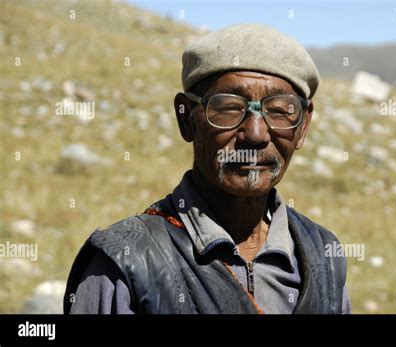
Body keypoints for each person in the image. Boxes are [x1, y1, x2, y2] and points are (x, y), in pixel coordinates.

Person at [64, 23, 351, 314]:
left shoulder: (324, 255)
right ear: (187, 118)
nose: (255, 133)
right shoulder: (125, 264)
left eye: (278, 110)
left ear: (302, 126)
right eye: (228, 107)